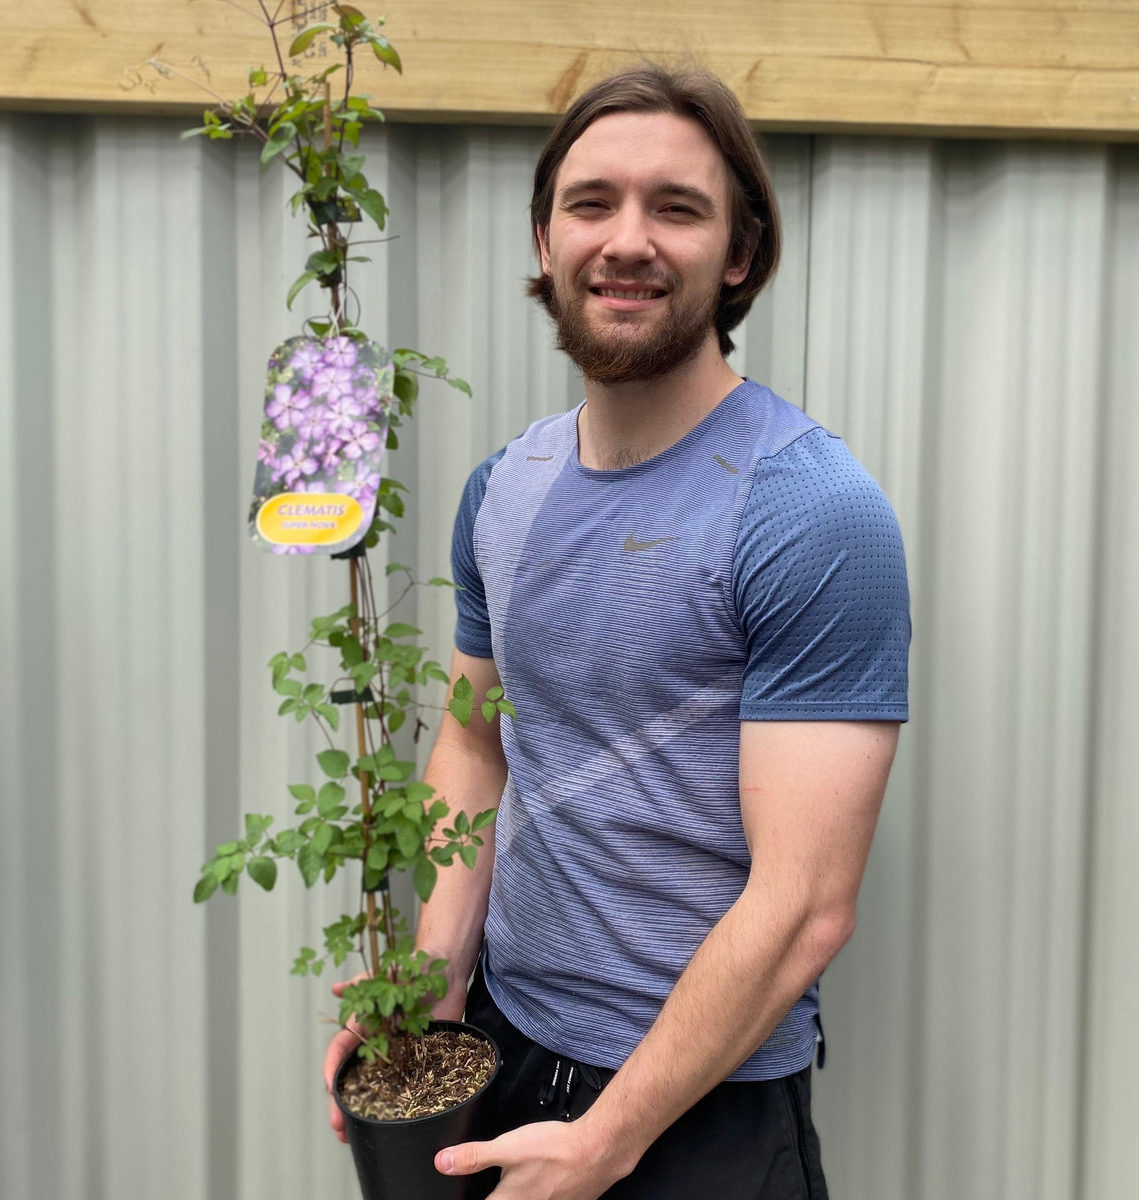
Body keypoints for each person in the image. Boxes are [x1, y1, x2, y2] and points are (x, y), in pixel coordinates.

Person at [324, 63, 910, 1200]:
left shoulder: (809, 511)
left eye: (676, 208)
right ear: (545, 240)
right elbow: (475, 745)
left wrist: (610, 1137)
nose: (627, 239)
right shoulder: (506, 488)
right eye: (591, 203)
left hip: (701, 1110)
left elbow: (805, 907)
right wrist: (429, 986)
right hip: (500, 1052)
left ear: (739, 254)